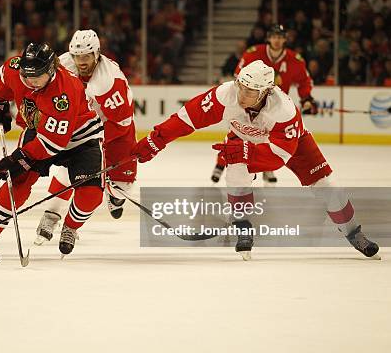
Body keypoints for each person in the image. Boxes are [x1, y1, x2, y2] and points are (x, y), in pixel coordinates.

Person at [133, 60, 379, 260]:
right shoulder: (225, 94)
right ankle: (242, 226)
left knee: (329, 187)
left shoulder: (283, 110)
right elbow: (186, 118)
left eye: (250, 92)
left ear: (265, 92)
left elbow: (278, 159)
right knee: (236, 171)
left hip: (292, 145)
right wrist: (155, 141)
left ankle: (352, 231)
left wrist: (245, 153)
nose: (242, 95)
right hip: (244, 139)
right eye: (241, 86)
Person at [0, 42, 104, 259]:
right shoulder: (14, 68)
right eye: (26, 76)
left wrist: (20, 157)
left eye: (37, 77)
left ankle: (70, 226)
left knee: (91, 195)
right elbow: (4, 79)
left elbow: (54, 142)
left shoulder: (65, 92)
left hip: (80, 139)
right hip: (39, 131)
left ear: (51, 71)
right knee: (17, 183)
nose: (30, 81)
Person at [33, 30, 138, 244]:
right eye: (77, 56)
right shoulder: (61, 65)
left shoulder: (109, 80)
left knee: (122, 186)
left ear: (97, 54)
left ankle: (115, 197)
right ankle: (51, 215)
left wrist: (97, 144)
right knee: (66, 171)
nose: (81, 61)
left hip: (115, 128)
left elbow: (122, 122)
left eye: (86, 56)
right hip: (82, 123)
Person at [211, 24, 319, 184]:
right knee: (237, 135)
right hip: (248, 104)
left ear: (284, 40)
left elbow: (304, 81)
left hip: (274, 110)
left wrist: (307, 99)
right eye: (274, 36)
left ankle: (266, 169)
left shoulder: (294, 60)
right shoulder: (253, 54)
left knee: (269, 140)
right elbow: (238, 76)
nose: (277, 40)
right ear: (269, 38)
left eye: (280, 37)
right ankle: (221, 164)